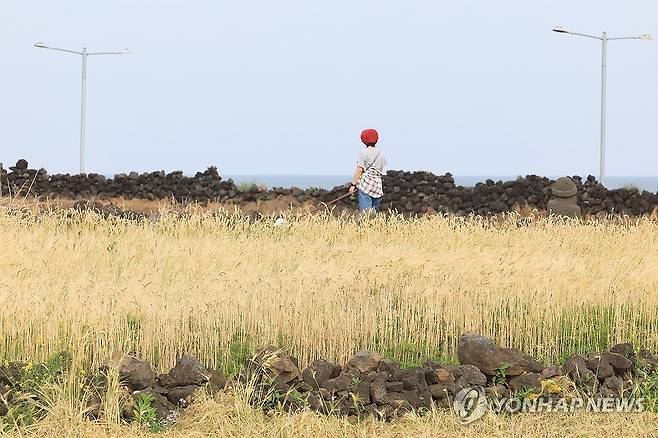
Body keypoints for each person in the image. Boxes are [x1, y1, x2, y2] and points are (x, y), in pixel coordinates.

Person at [349, 129, 387, 212]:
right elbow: (381, 169)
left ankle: (366, 224)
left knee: (366, 213)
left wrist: (353, 184)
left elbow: (359, 170)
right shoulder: (381, 154)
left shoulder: (363, 153)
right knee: (374, 213)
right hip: (377, 185)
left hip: (366, 184)